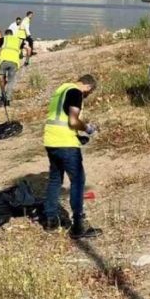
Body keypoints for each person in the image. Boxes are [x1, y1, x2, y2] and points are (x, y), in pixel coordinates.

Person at [42, 74, 101, 239]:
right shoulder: (76, 92)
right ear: (88, 87)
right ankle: (78, 225)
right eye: (88, 94)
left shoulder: (61, 89)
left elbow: (59, 117)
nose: (85, 97)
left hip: (51, 140)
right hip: (65, 143)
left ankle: (50, 220)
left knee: (55, 179)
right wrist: (87, 128)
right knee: (77, 181)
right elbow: (73, 121)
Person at [0, 29, 22, 104]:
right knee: (11, 81)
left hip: (3, 61)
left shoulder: (3, 39)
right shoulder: (18, 40)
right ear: (12, 34)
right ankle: (8, 99)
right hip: (14, 62)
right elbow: (21, 54)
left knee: (0, 80)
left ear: (5, 34)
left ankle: (0, 98)